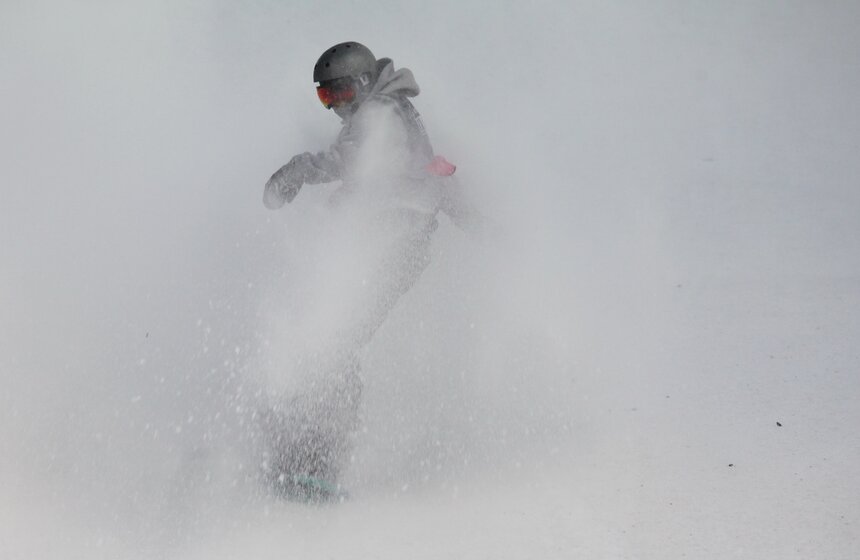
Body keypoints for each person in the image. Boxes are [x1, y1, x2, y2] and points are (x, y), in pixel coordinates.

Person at [260, 41, 476, 500]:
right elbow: (404, 175)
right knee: (328, 341)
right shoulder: (390, 111)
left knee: (333, 345)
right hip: (393, 243)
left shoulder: (379, 113)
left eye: (336, 93)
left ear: (359, 84)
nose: (333, 106)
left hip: (394, 247)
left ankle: (315, 464)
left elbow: (352, 162)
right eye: (323, 97)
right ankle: (302, 454)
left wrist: (297, 170)